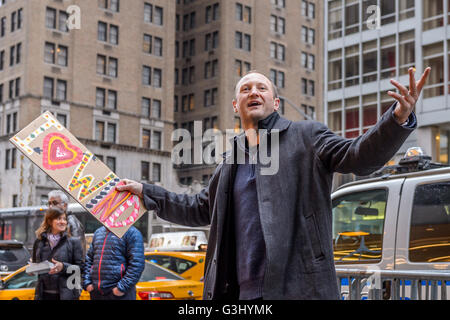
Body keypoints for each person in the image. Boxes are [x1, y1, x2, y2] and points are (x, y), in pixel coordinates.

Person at [116, 67, 431, 300]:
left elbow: (359, 157)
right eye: (246, 89)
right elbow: (200, 208)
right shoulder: (229, 161)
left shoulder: (306, 136)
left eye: (261, 88)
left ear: (276, 103)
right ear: (235, 106)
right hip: (240, 294)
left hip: (299, 289)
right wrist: (147, 193)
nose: (253, 92)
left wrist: (397, 119)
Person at [32, 208, 84, 300]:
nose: (63, 222)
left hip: (67, 295)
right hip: (43, 295)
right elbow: (35, 266)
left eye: (64, 219)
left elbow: (81, 268)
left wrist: (63, 267)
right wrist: (32, 269)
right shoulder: (39, 242)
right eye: (59, 218)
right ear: (49, 221)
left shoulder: (73, 242)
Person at [82, 226, 145, 300]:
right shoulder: (98, 232)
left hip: (119, 294)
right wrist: (87, 283)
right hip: (96, 293)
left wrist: (121, 289)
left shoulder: (132, 233)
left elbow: (137, 265)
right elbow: (89, 259)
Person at [48, 190, 86, 254]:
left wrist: (63, 264)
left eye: (54, 203)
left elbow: (79, 253)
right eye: (49, 203)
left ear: (65, 205)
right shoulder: (51, 222)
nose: (51, 206)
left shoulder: (73, 223)